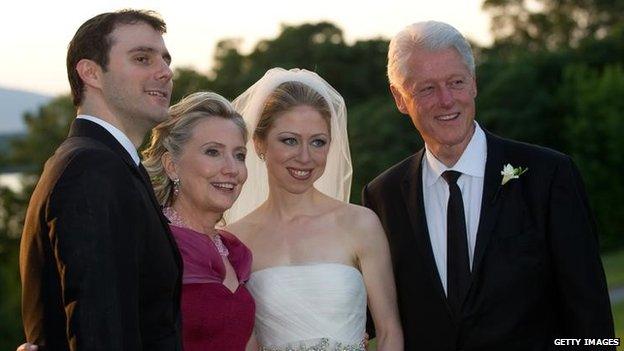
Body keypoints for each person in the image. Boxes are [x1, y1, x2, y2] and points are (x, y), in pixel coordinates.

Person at [362, 21, 615, 350]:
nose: (447, 99)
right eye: (427, 89)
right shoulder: (383, 196)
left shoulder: (549, 175)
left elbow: (590, 312)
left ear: (474, 84)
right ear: (399, 98)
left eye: (456, 82)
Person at [19, 9, 182, 351]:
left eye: (165, 60)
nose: (165, 72)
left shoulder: (112, 165)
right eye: (143, 58)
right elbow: (100, 331)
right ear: (91, 72)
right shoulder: (91, 169)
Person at [226, 68, 404, 351]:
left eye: (318, 142)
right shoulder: (234, 240)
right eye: (289, 140)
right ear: (259, 144)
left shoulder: (360, 224)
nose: (305, 157)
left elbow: (389, 333)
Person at [142, 92, 255, 350]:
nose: (232, 169)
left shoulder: (236, 253)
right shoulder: (151, 244)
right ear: (172, 166)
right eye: (213, 152)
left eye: (239, 155)